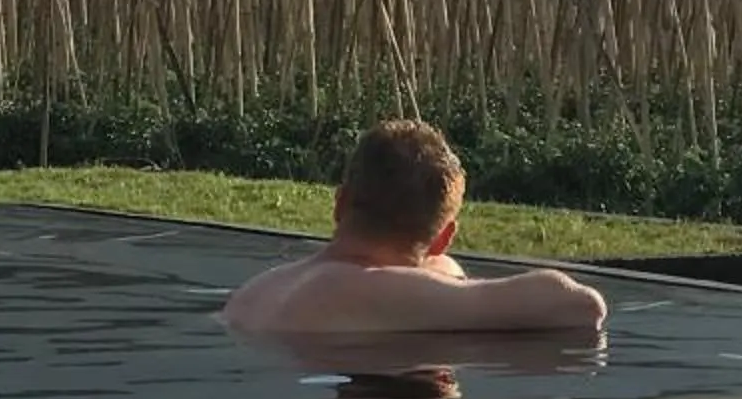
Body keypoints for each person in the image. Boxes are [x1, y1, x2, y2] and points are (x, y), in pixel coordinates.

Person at [223, 119, 607, 339]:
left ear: (340, 203)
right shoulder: (361, 291)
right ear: (443, 238)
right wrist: (446, 274)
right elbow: (581, 306)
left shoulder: (258, 290)